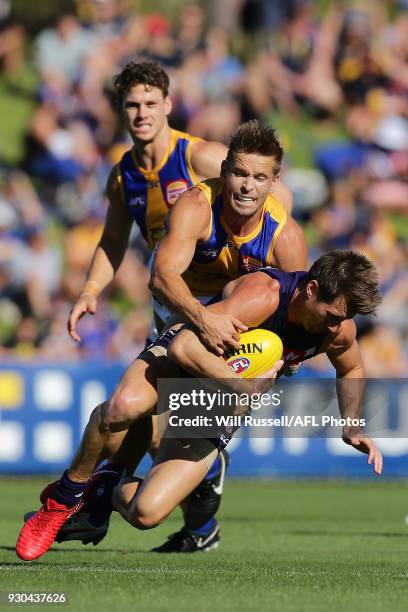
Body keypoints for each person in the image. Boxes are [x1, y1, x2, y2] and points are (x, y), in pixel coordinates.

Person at [16, 119, 307, 561]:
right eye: (240, 174)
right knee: (124, 409)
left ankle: (172, 514)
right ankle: (66, 499)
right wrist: (202, 319)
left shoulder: (285, 238)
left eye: (260, 177)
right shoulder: (196, 205)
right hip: (186, 325)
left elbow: (299, 319)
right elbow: (161, 277)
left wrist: (284, 359)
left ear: (274, 181)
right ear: (225, 169)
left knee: (147, 510)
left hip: (236, 357)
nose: (247, 186)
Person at [108, 249, 383, 532]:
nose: (337, 326)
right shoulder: (263, 296)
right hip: (178, 371)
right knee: (122, 411)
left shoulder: (337, 330)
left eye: (345, 317)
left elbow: (351, 368)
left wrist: (352, 426)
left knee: (146, 514)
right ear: (311, 289)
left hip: (213, 407)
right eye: (333, 315)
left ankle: (105, 489)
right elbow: (183, 347)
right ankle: (80, 488)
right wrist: (244, 388)